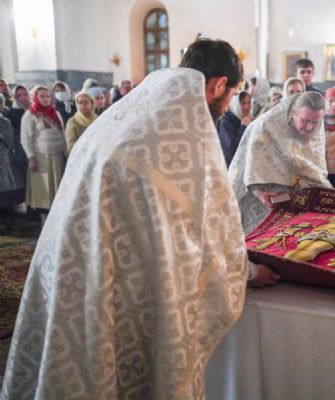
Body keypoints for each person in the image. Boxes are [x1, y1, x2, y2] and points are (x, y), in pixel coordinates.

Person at [1, 38, 277, 400]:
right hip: (117, 270)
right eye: (232, 94)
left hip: (68, 265)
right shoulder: (187, 127)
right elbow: (209, 231)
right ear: (219, 84)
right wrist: (249, 273)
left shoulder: (133, 108)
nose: (228, 106)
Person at [229, 91, 331, 234]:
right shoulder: (265, 126)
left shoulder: (316, 125)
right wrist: (262, 193)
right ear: (294, 113)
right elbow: (252, 170)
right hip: (259, 202)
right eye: (305, 121)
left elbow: (315, 167)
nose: (310, 127)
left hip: (294, 200)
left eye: (315, 122)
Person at [20, 85, 66, 224]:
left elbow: (62, 134)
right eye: (42, 96)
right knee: (43, 191)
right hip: (41, 159)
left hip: (56, 157)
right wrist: (31, 157)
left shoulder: (55, 113)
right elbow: (25, 138)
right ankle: (44, 223)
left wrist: (65, 152)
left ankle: (56, 222)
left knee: (56, 190)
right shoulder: (30, 114)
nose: (45, 99)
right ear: (35, 97)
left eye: (47, 96)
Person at [0, 94, 25, 225]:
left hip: (9, 163)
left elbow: (14, 140)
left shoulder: (6, 121)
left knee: (8, 194)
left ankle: (9, 222)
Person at [218, 90, 252, 167]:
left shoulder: (247, 120)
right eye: (243, 103)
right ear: (235, 104)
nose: (247, 107)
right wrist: (243, 127)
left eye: (248, 103)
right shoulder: (226, 123)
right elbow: (232, 150)